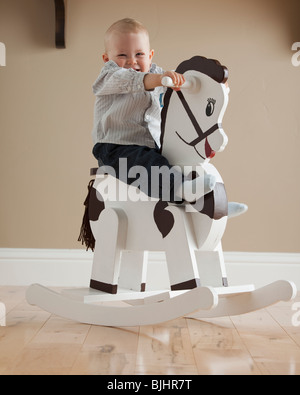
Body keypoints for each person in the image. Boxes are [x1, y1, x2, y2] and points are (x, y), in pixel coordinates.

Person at [91, 18, 215, 203]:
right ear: (107, 59)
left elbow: (179, 91)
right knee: (148, 165)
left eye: (139, 54)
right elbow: (133, 80)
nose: (131, 61)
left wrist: (211, 85)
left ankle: (212, 206)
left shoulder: (158, 75)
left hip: (151, 146)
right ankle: (183, 190)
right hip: (115, 146)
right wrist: (160, 79)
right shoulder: (110, 76)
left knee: (177, 160)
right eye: (122, 55)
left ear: (150, 55)